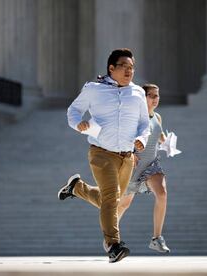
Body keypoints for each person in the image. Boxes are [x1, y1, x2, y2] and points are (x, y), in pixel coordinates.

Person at [58, 48, 150, 263]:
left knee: (111, 201)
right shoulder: (93, 89)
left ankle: (77, 188)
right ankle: (113, 245)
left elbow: (144, 124)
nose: (129, 71)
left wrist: (142, 140)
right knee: (110, 198)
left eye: (132, 68)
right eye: (124, 67)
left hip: (127, 156)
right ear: (111, 68)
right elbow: (73, 111)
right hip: (101, 153)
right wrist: (77, 124)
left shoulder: (137, 93)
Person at [118, 83, 171, 254]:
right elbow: (123, 137)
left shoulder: (157, 117)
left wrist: (167, 142)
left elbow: (160, 136)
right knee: (124, 204)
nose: (156, 99)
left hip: (152, 164)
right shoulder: (134, 118)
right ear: (143, 97)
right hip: (133, 166)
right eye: (152, 96)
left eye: (157, 95)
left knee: (162, 194)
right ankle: (111, 237)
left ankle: (157, 238)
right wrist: (130, 153)